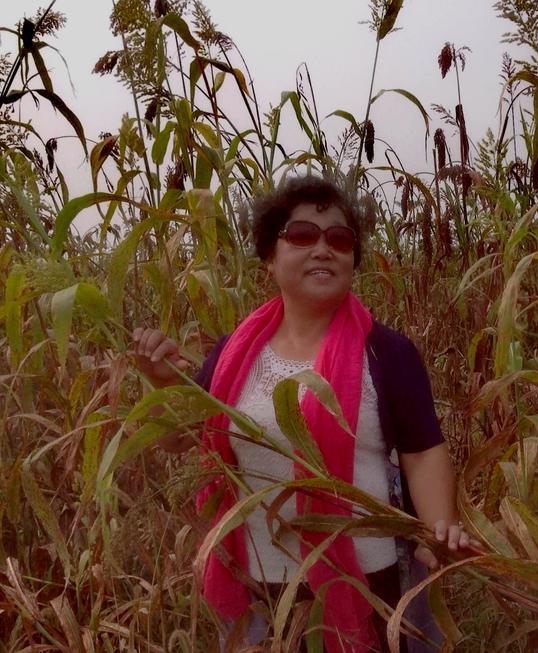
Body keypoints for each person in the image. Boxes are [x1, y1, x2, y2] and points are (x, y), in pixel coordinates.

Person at [131, 175, 475, 652]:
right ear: (270, 257)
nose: (322, 249)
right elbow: (179, 438)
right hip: (260, 586)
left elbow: (422, 451)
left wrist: (436, 530)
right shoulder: (234, 354)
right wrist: (164, 381)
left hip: (367, 586)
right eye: (301, 235)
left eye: (339, 239)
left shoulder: (386, 352)